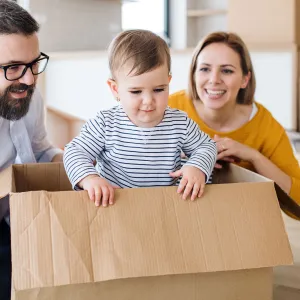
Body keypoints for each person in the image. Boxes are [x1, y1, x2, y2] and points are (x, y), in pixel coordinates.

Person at [64, 29, 217, 207]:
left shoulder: (179, 123)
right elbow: (74, 152)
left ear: (168, 82)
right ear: (115, 89)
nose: (148, 101)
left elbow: (207, 147)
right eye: (136, 91)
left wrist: (196, 167)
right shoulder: (105, 123)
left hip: (165, 207)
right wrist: (90, 179)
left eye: (159, 89)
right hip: (114, 205)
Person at [168, 31, 300, 219]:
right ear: (194, 74)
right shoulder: (169, 109)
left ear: (245, 79)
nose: (214, 79)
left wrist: (254, 157)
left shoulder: (264, 125)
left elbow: (298, 203)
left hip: (238, 222)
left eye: (227, 70)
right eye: (205, 69)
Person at [0, 1, 63, 299]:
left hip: (20, 222)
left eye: (34, 64)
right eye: (13, 68)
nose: (28, 79)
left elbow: (39, 149)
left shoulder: (28, 95)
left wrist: (72, 162)